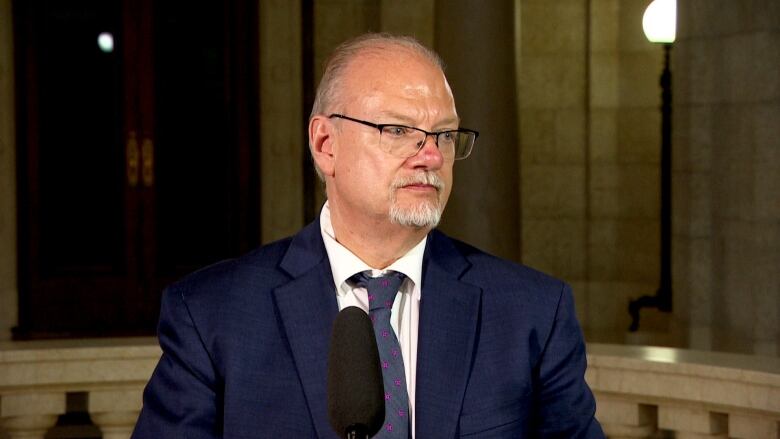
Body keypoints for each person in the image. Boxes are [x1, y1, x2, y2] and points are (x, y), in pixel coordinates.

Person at [132, 33, 604, 438]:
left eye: (443, 134)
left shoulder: (532, 314)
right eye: (398, 130)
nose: (432, 156)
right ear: (325, 145)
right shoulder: (212, 315)